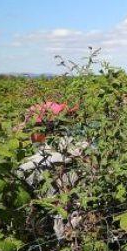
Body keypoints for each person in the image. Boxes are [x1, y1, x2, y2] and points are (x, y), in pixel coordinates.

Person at [16, 102, 92, 241]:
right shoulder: (84, 148)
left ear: (38, 131)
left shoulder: (29, 165)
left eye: (29, 129)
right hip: (87, 222)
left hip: (56, 231)